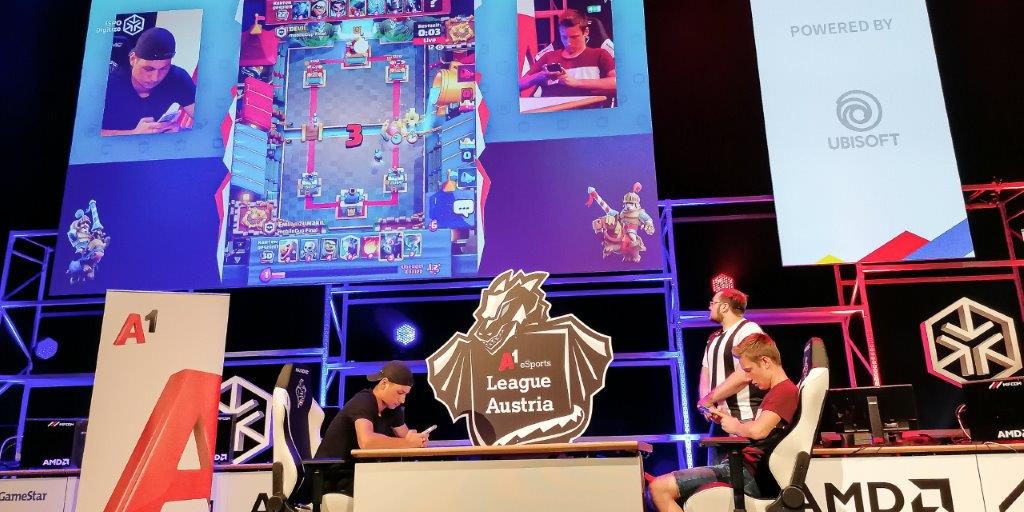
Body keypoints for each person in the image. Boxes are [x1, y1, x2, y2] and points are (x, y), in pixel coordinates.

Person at [648, 333, 799, 511]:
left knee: (659, 489)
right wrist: (729, 420)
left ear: (765, 361)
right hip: (739, 468)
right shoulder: (777, 392)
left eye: (749, 370)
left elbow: (758, 431)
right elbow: (760, 429)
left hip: (744, 473)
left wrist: (735, 426)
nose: (749, 378)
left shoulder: (784, 391)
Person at [315, 361, 430, 496]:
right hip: (334, 475)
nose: (402, 399)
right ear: (384, 383)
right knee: (394, 487)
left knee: (410, 481)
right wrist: (408, 443)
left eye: (405, 394)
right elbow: (367, 442)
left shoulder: (392, 408)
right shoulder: (363, 401)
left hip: (360, 471)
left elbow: (406, 436)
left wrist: (418, 439)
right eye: (400, 392)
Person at [698, 288, 764, 461]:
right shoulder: (713, 338)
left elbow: (746, 373)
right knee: (714, 473)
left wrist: (709, 399)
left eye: (713, 303)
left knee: (740, 472)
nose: (710, 307)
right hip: (718, 419)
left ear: (725, 307)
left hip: (744, 417)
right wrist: (707, 405)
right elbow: (705, 372)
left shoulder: (748, 330)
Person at [101, 27, 196, 136]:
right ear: (133, 59)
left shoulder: (177, 78)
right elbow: (86, 132)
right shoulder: (108, 84)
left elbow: (206, 121)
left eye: (163, 69)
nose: (155, 78)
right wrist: (133, 133)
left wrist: (180, 131)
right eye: (148, 69)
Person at [518, 9, 616, 99]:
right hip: (551, 109)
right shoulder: (548, 57)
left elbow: (616, 82)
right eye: (564, 37)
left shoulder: (599, 54)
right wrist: (541, 76)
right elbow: (520, 84)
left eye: (574, 37)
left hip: (585, 108)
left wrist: (576, 82)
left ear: (586, 32)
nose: (568, 43)